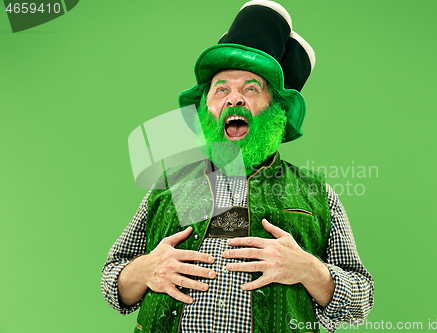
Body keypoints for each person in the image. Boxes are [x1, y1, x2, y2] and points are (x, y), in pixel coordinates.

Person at [101, 1, 374, 332]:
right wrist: (143, 270)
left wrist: (308, 269)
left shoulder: (318, 194)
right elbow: (112, 278)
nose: (234, 99)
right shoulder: (168, 184)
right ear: (205, 109)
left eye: (251, 88)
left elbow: (360, 302)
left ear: (276, 111)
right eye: (221, 89)